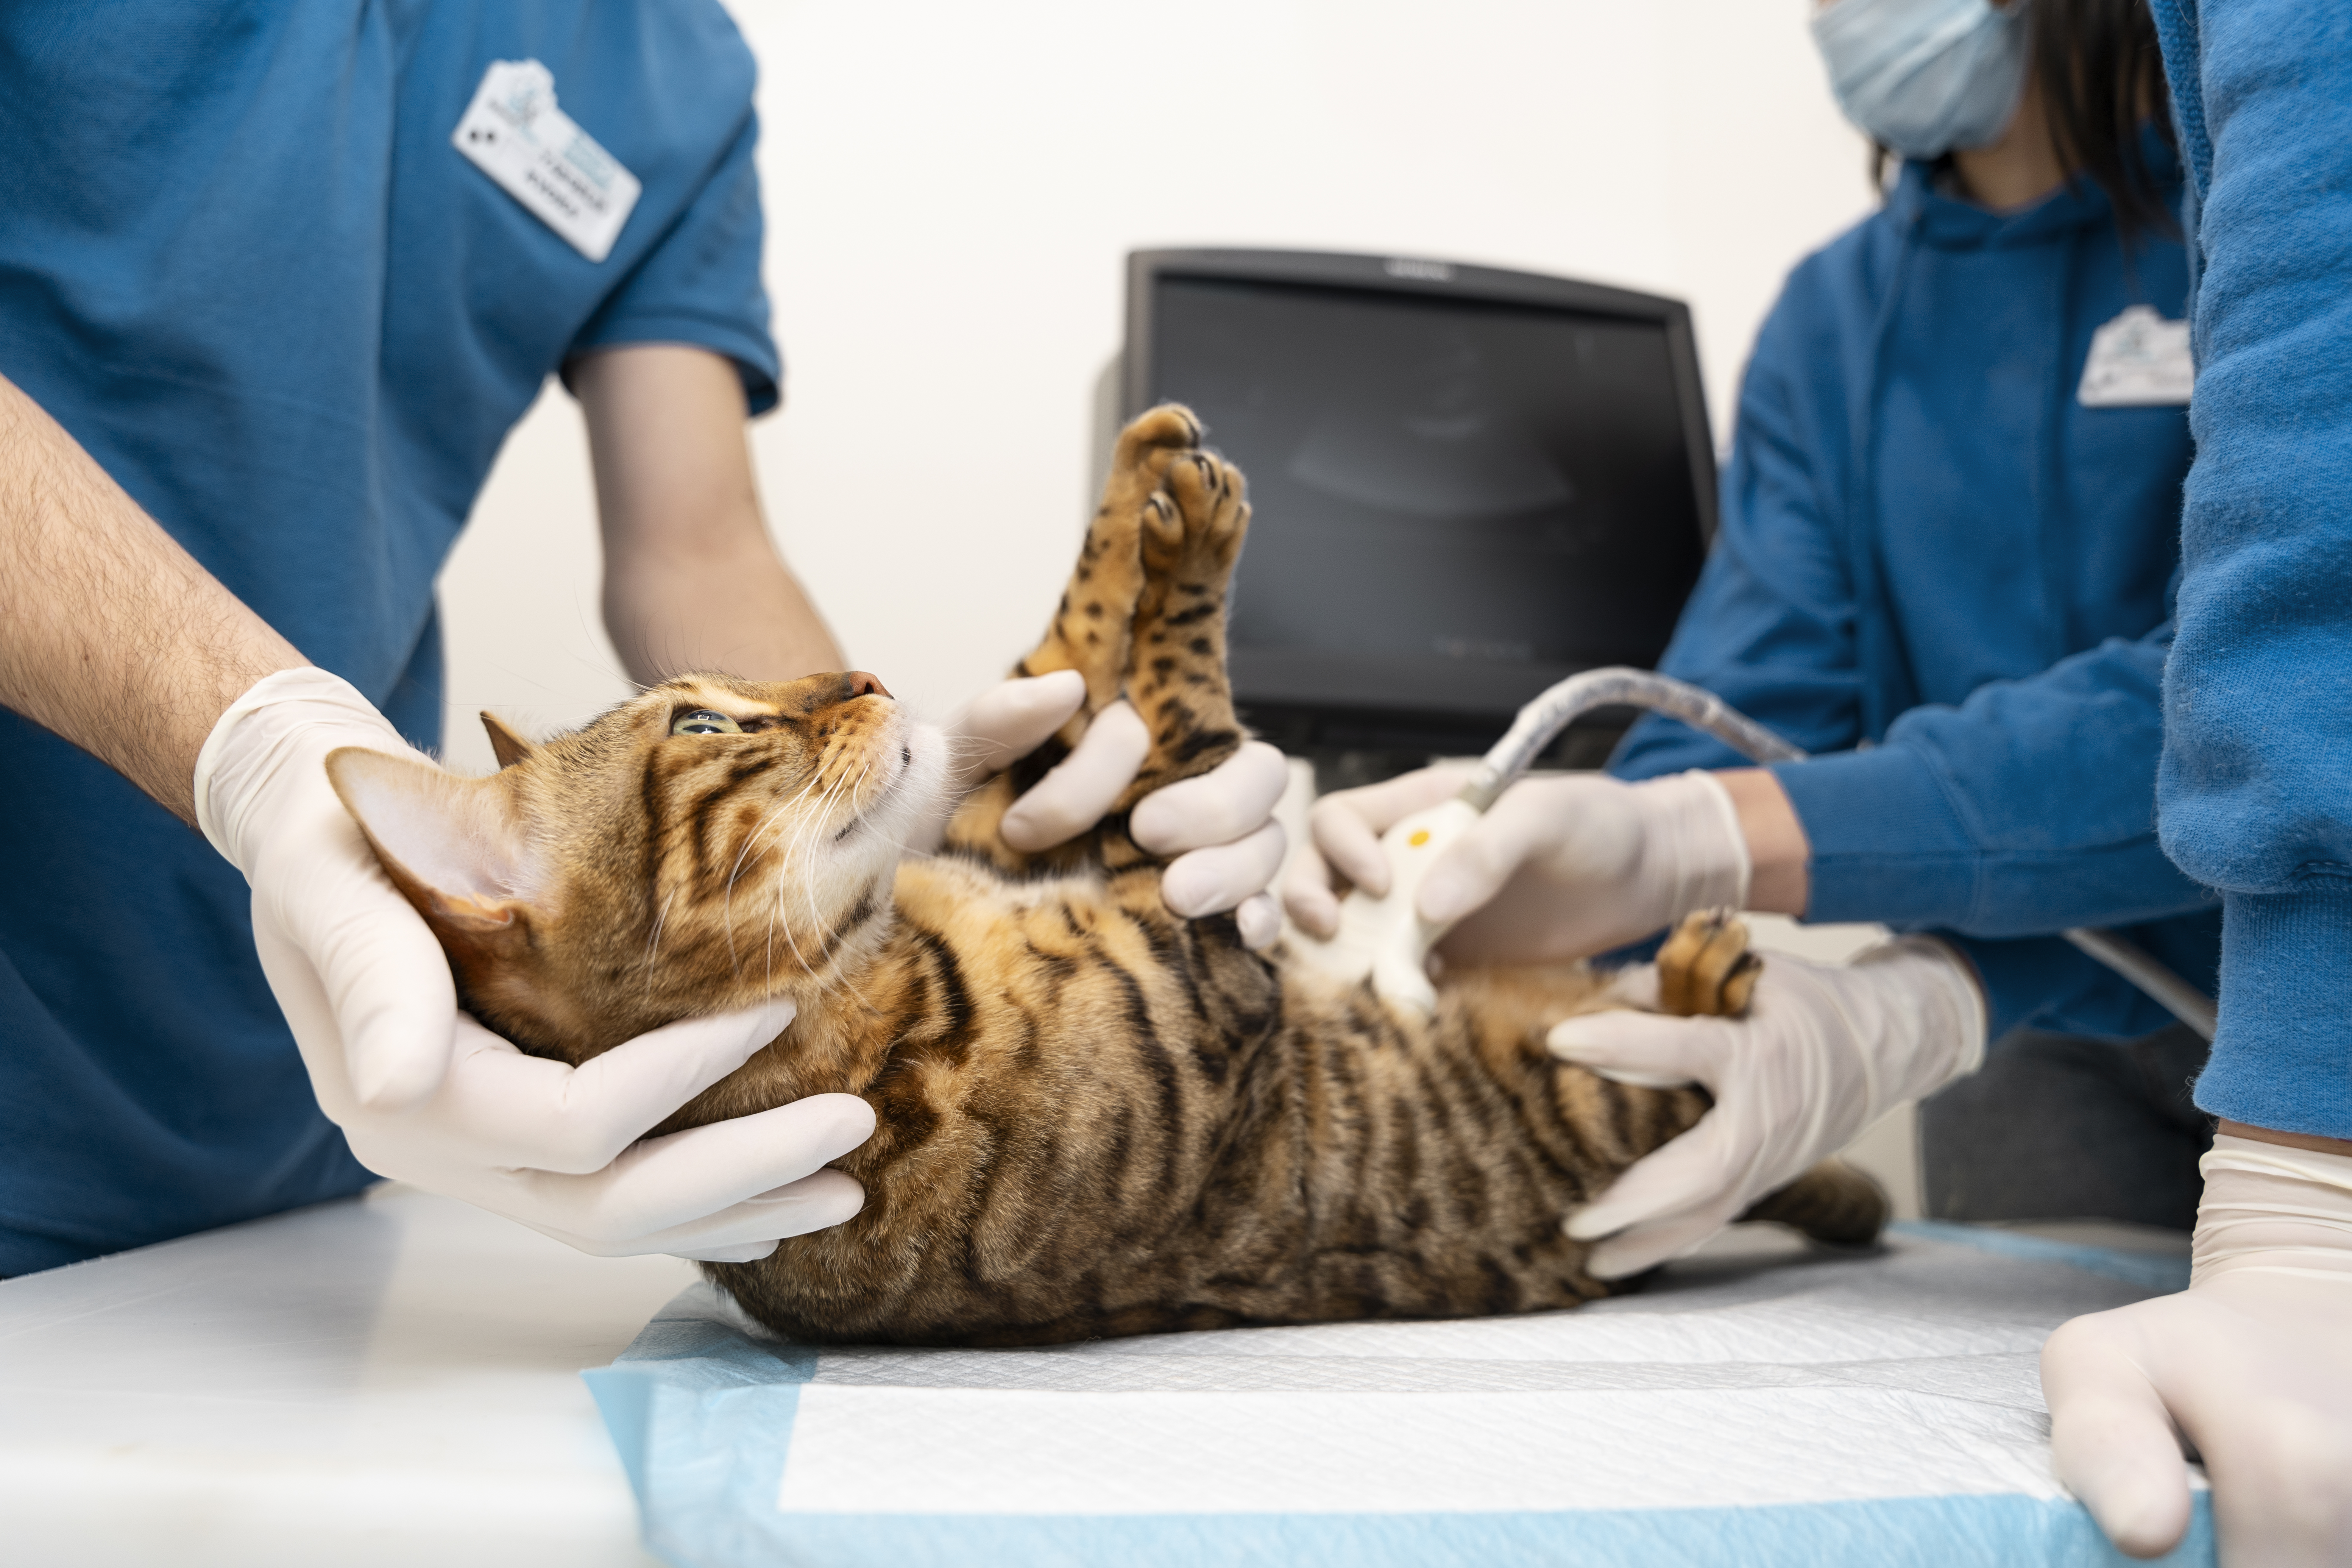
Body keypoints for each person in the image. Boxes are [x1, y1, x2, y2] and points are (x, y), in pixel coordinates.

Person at [1290, 0, 2352, 1557]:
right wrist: (1579, 896)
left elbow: (2236, 713)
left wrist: (1696, 840)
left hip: (2305, 1007)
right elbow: (1724, 718)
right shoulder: (1832, 322)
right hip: (2040, 1031)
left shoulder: (2241, 208)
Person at [0, 3, 1286, 1278]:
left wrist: (873, 823)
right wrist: (257, 743)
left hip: (327, 1136)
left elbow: (697, 550)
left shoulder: (664, 59)